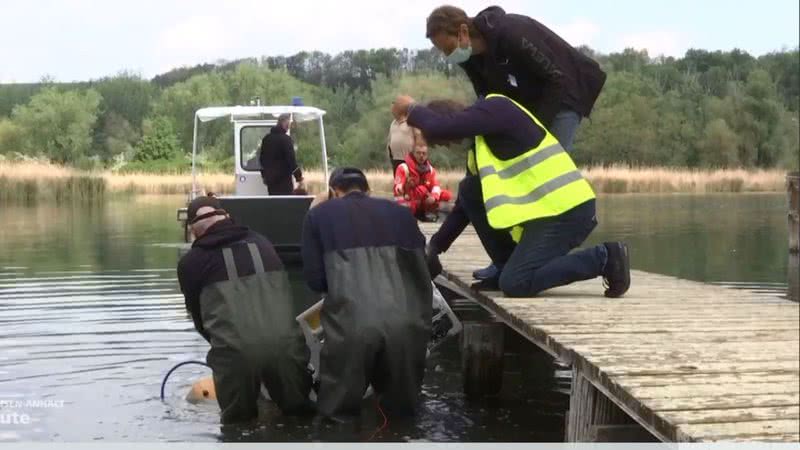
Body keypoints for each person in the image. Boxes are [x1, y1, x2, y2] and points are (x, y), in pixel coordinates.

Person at [393, 93, 630, 299]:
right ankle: (506, 265)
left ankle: (605, 257)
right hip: (546, 215)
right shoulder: (479, 149)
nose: (444, 145)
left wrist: (410, 108)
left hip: (568, 211)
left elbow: (439, 127)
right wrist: (435, 246)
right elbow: (465, 205)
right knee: (470, 189)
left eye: (440, 141)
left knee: (516, 283)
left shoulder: (498, 110)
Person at [301, 167, 432, 419]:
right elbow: (428, 267)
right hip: (407, 328)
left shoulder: (318, 216)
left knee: (338, 417)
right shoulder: (403, 214)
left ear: (333, 191)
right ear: (368, 190)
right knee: (402, 417)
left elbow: (315, 281)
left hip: (351, 329)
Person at [177, 195, 314, 424]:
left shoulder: (190, 263)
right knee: (300, 418)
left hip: (234, 356)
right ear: (227, 218)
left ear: (193, 232)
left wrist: (228, 346)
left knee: (237, 427)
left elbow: (201, 321)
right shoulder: (262, 242)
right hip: (287, 350)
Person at [425, 5, 606, 153]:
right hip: (531, 96)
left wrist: (534, 129)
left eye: (448, 48)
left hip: (566, 91)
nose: (448, 55)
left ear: (463, 31)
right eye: (443, 52)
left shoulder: (511, 34)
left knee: (549, 156)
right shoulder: (468, 58)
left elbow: (556, 79)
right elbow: (487, 98)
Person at [394, 128, 453, 222]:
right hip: (409, 203)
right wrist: (401, 187)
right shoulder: (403, 168)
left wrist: (434, 197)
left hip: (425, 203)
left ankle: (432, 214)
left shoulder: (431, 170)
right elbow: (398, 186)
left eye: (424, 153)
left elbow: (435, 186)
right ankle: (408, 218)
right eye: (418, 153)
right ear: (413, 153)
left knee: (446, 195)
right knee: (421, 190)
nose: (421, 156)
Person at [259, 113, 305, 195]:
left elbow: (262, 160)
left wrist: (264, 176)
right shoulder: (286, 140)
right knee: (285, 204)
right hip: (284, 181)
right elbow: (291, 161)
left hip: (270, 181)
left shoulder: (266, 139)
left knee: (273, 204)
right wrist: (299, 178)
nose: (289, 125)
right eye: (288, 123)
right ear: (283, 122)